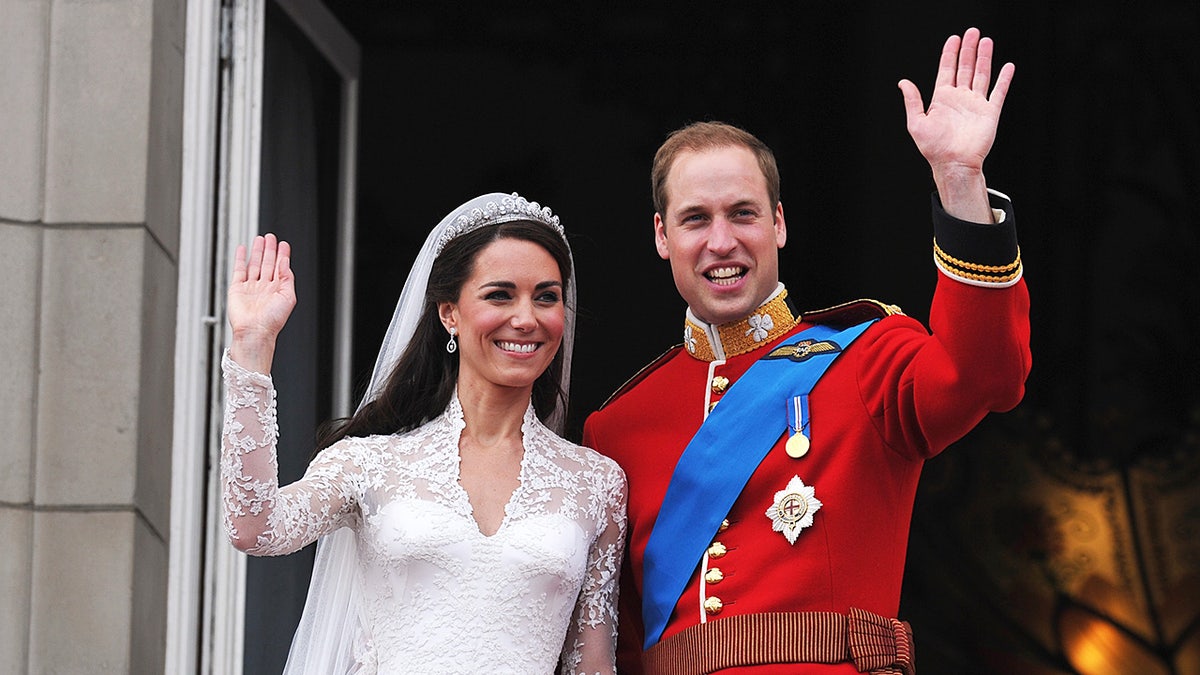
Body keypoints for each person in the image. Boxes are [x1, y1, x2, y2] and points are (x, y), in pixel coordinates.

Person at [582, 28, 1031, 674]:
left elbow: (987, 373)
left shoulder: (869, 359)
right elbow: (614, 643)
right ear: (662, 236)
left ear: (779, 224)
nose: (722, 241)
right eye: (695, 219)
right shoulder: (617, 427)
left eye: (743, 214)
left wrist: (960, 183)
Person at [221, 192, 628, 674]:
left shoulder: (598, 483)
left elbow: (593, 664)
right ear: (448, 312)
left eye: (546, 296)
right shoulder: (366, 463)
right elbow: (255, 528)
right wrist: (252, 345)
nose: (526, 318)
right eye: (500, 294)